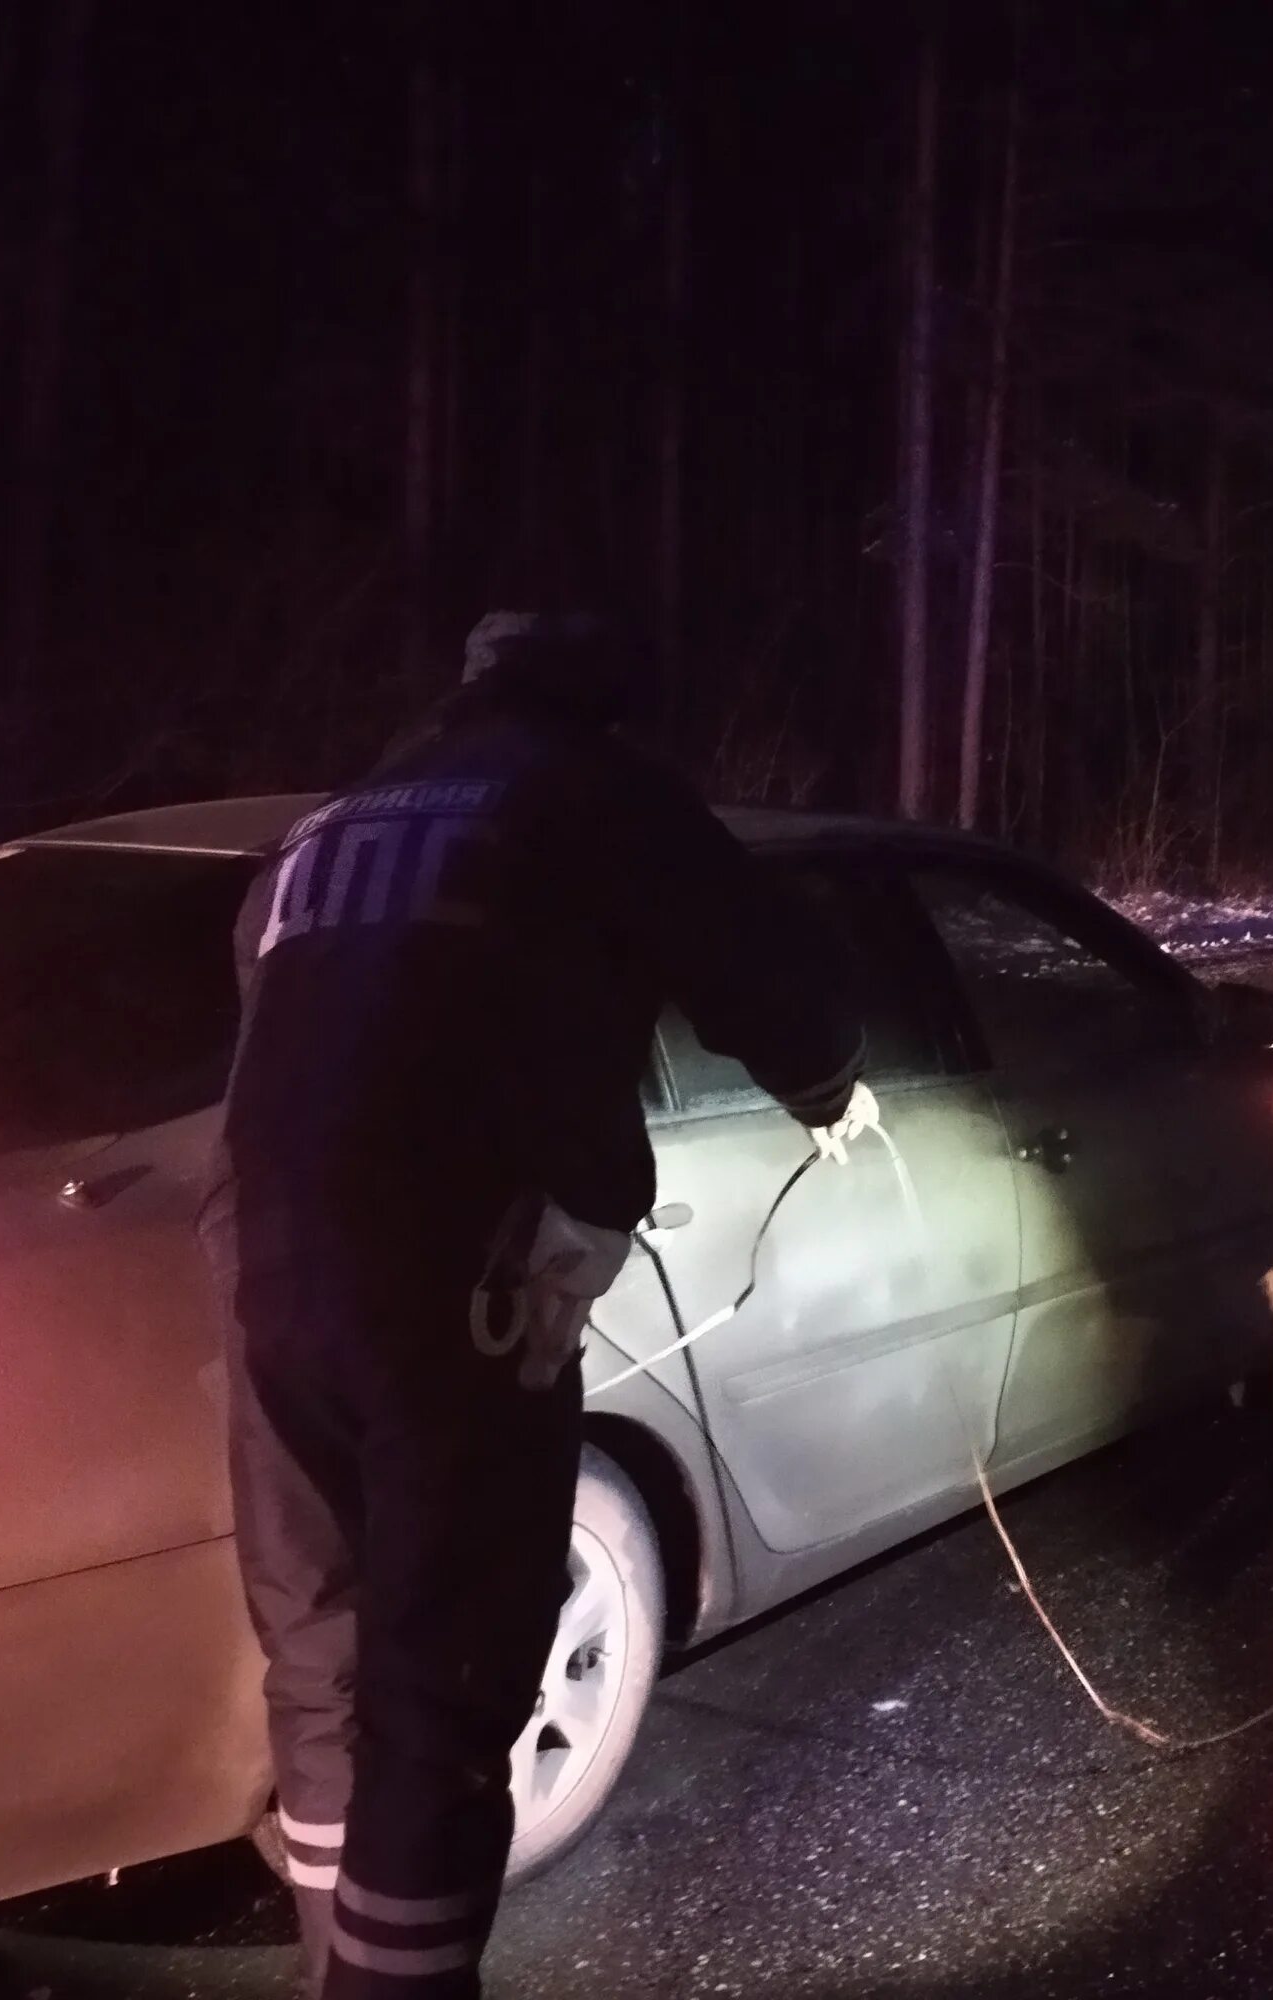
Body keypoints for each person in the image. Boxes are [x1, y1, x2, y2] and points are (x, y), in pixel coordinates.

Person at [206, 610, 872, 1999]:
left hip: (264, 1265)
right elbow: (763, 970)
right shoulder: (593, 791)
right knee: (444, 1684)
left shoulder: (336, 823)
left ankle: (342, 1965)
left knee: (321, 1646)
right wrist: (821, 1086)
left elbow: (293, 1018)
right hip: (458, 1275)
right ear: (613, 708)